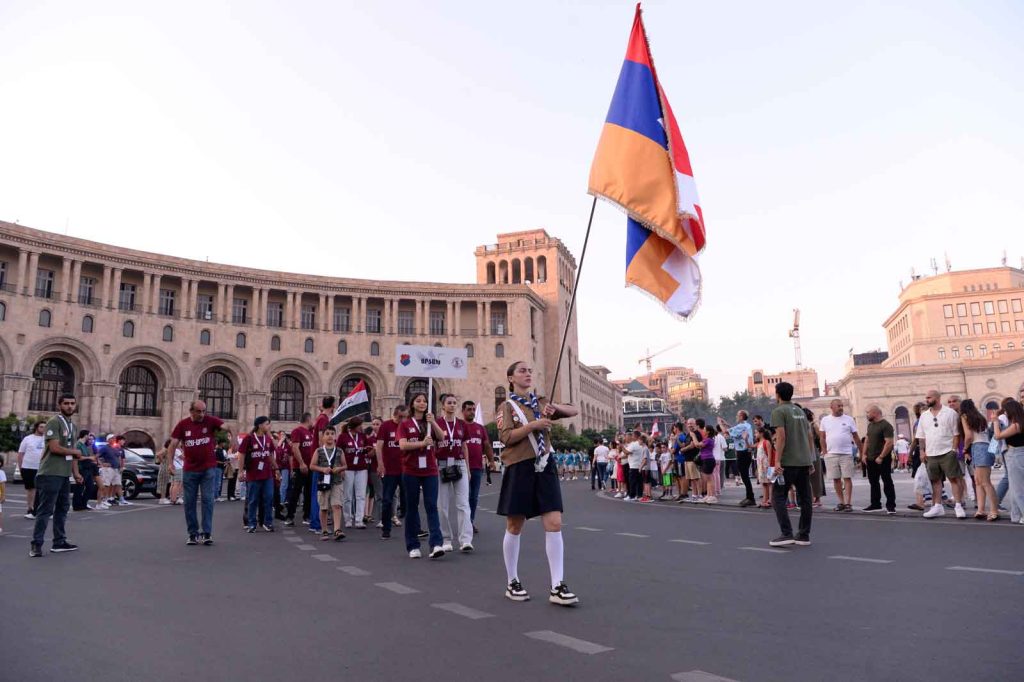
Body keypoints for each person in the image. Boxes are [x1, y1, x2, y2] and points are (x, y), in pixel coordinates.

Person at [496, 360, 580, 606]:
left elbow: (573, 411)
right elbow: (506, 437)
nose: (528, 374)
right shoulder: (507, 407)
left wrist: (555, 409)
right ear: (511, 378)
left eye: (530, 371)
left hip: (545, 465)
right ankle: (512, 580)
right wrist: (533, 425)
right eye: (522, 371)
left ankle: (557, 585)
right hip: (519, 466)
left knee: (554, 522)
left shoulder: (541, 402)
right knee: (515, 525)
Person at [30, 393, 83, 557]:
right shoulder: (54, 422)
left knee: (62, 508)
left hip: (64, 474)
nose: (69, 406)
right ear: (59, 405)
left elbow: (73, 452)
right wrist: (74, 452)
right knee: (45, 510)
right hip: (50, 473)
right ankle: (36, 544)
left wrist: (76, 473)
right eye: (66, 403)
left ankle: (59, 542)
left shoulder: (73, 426)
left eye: (72, 403)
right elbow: (54, 448)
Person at [168, 400, 225, 546]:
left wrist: (235, 441)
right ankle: (193, 534)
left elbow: (227, 427)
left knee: (208, 500)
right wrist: (170, 463)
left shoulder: (210, 421)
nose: (202, 414)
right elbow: (173, 444)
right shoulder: (183, 425)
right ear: (191, 411)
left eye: (204, 411)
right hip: (190, 470)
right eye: (199, 411)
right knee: (189, 502)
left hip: (208, 469)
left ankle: (207, 533)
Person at [398, 392, 444, 559]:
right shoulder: (405, 424)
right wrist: (422, 443)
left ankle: (436, 543)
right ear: (412, 404)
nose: (422, 403)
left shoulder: (430, 422)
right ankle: (413, 545)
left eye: (424, 401)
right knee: (412, 507)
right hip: (411, 470)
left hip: (430, 469)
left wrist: (433, 422)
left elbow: (442, 437)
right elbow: (403, 445)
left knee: (431, 505)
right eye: (418, 400)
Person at [768, 382, 815, 546]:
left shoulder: (778, 411)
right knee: (806, 499)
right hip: (803, 461)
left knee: (777, 497)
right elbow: (808, 435)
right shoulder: (800, 411)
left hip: (788, 461)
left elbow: (781, 436)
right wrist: (810, 459)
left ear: (777, 394)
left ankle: (786, 533)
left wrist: (777, 460)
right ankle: (803, 535)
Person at [915, 390, 966, 519]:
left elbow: (956, 434)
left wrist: (954, 450)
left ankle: (958, 506)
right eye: (926, 397)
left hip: (947, 451)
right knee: (935, 480)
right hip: (931, 453)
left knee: (954, 479)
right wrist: (922, 451)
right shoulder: (924, 416)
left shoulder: (950, 413)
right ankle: (937, 507)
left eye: (929, 397)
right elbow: (921, 436)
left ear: (937, 398)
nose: (926, 400)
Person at [432, 394, 473, 551]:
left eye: (454, 403)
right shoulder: (437, 423)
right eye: (449, 403)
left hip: (459, 463)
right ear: (443, 406)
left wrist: (468, 468)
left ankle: (465, 540)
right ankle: (446, 539)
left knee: (463, 503)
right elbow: (433, 445)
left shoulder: (461, 424)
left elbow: (464, 446)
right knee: (442, 505)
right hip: (442, 464)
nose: (452, 405)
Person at [959, 399, 998, 521]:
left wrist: (965, 449)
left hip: (978, 447)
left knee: (984, 482)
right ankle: (981, 509)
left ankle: (994, 510)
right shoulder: (980, 417)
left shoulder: (964, 416)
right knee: (978, 481)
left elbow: (969, 436)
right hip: (985, 447)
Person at [240, 416, 278, 533]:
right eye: (267, 424)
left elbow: (270, 454)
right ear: (260, 425)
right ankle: (251, 523)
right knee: (253, 500)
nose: (269, 426)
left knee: (269, 498)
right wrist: (240, 471)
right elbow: (242, 454)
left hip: (267, 474)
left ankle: (267, 522)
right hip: (253, 475)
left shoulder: (268, 438)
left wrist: (276, 468)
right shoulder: (249, 438)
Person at [819, 399, 859, 512]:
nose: (841, 407)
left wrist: (861, 451)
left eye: (842, 406)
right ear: (831, 407)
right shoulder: (825, 420)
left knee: (847, 477)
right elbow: (822, 437)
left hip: (846, 453)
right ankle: (841, 502)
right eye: (838, 406)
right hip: (831, 454)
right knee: (836, 479)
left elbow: (855, 436)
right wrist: (824, 452)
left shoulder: (849, 419)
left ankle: (848, 503)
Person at [376, 405, 408, 540]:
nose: (402, 420)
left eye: (405, 417)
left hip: (406, 468)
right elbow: (379, 447)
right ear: (394, 415)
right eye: (400, 417)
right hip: (390, 470)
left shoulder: (407, 426)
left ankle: (414, 527)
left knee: (408, 499)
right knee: (387, 499)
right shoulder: (386, 426)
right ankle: (386, 528)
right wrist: (380, 464)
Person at [461, 401, 493, 533]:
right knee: (464, 497)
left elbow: (486, 445)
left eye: (473, 409)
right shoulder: (459, 426)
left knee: (473, 497)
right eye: (469, 409)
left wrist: (491, 460)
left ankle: (470, 522)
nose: (472, 412)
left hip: (477, 468)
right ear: (463, 411)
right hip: (462, 467)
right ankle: (464, 523)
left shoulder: (480, 428)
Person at [311, 424, 346, 541]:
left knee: (337, 505)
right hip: (323, 482)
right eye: (327, 434)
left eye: (332, 434)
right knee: (324, 507)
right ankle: (324, 529)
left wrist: (339, 469)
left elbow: (345, 465)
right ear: (322, 437)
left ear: (335, 436)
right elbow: (312, 465)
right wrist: (322, 469)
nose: (330, 436)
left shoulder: (339, 451)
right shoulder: (319, 451)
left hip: (336, 481)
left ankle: (337, 530)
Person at [992, 398, 1024, 524]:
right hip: (1016, 453)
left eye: (1006, 411)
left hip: (1016, 454)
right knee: (1015, 486)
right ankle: (1016, 515)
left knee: (1017, 488)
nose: (1005, 413)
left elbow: (997, 436)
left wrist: (995, 421)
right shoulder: (1018, 423)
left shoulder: (1016, 425)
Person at [862, 406, 896, 514]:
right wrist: (863, 454)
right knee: (873, 482)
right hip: (870, 458)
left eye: (868, 412)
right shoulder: (870, 425)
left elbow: (889, 442)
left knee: (887, 481)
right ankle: (875, 504)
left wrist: (881, 456)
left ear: (875, 413)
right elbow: (867, 440)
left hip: (883, 459)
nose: (867, 415)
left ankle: (891, 506)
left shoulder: (886, 425)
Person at [285, 412, 316, 527]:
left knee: (309, 492)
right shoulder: (297, 431)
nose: (312, 422)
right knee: (296, 492)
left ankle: (307, 515)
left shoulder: (310, 432)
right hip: (300, 467)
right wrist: (302, 463)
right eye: (311, 419)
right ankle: (290, 516)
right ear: (308, 419)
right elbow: (295, 448)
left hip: (311, 466)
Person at [339, 417, 370, 529]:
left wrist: (368, 450)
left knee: (361, 495)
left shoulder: (362, 436)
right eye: (360, 425)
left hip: (361, 468)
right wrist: (341, 468)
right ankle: (348, 519)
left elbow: (366, 449)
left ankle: (359, 520)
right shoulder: (343, 437)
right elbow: (339, 453)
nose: (362, 427)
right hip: (348, 469)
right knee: (347, 495)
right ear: (354, 426)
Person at [720, 412, 755, 506]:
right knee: (745, 476)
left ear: (741, 416)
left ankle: (751, 498)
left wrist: (720, 424)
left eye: (738, 415)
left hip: (743, 452)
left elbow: (726, 432)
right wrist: (726, 424)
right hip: (746, 452)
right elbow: (735, 429)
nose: (736, 416)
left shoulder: (742, 426)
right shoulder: (747, 425)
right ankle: (749, 497)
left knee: (745, 476)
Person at [17, 420, 46, 519]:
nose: (43, 429)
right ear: (36, 428)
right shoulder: (28, 439)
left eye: (45, 427)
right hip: (28, 467)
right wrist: (20, 468)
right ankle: (30, 508)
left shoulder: (47, 439)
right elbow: (20, 454)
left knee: (41, 489)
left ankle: (39, 509)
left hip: (42, 468)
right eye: (41, 427)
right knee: (30, 489)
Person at [72, 431, 98, 511]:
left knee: (90, 487)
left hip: (88, 468)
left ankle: (83, 503)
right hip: (81, 468)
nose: (90, 437)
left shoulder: (84, 445)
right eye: (89, 435)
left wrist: (91, 460)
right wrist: (89, 458)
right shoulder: (78, 444)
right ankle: (77, 505)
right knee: (80, 487)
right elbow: (78, 457)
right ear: (85, 435)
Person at [97, 434, 127, 507]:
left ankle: (110, 498)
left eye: (114, 438)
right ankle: (104, 500)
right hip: (108, 469)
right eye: (112, 438)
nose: (114, 439)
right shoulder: (104, 448)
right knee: (106, 484)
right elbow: (97, 456)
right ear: (108, 440)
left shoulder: (115, 448)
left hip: (116, 469)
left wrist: (120, 466)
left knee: (116, 483)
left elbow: (119, 457)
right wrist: (102, 464)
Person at [364, 420, 383, 527]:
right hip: (375, 469)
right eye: (373, 424)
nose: (375, 426)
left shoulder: (386, 437)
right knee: (379, 494)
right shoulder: (370, 440)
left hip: (388, 469)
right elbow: (369, 455)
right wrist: (376, 450)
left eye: (377, 424)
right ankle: (381, 519)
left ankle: (392, 516)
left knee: (390, 494)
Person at [697, 425, 717, 504]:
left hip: (709, 460)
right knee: (707, 479)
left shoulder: (708, 440)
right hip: (706, 460)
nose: (703, 430)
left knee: (709, 479)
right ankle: (708, 495)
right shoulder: (707, 439)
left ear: (708, 431)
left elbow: (698, 444)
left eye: (704, 429)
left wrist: (693, 436)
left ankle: (712, 496)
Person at [156, 438, 174, 505]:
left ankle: (163, 498)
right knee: (163, 483)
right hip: (164, 468)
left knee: (165, 483)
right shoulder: (165, 449)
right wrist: (162, 461)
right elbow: (158, 454)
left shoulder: (168, 450)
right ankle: (162, 499)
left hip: (166, 467)